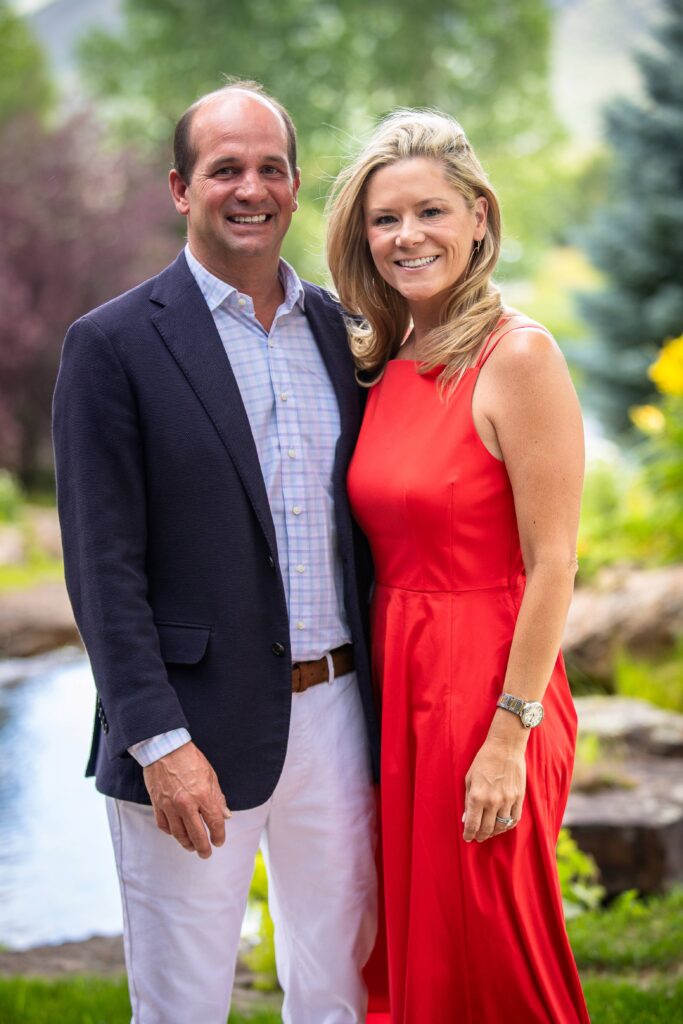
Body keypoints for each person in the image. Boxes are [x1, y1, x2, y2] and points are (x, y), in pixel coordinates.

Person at [52, 81, 380, 1024]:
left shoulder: (343, 334)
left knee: (336, 994)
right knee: (184, 1004)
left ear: (294, 183)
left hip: (341, 714)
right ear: (179, 188)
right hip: (187, 733)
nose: (250, 187)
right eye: (223, 168)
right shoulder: (110, 345)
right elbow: (100, 568)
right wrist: (159, 743)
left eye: (269, 167)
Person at [327, 110, 591, 1023]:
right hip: (399, 686)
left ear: (478, 215)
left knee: (497, 950)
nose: (407, 237)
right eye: (384, 219)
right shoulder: (380, 359)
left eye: (429, 212)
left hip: (488, 686)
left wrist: (508, 737)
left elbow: (554, 561)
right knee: (414, 958)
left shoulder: (517, 356)